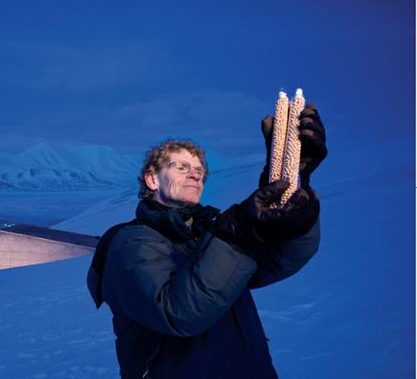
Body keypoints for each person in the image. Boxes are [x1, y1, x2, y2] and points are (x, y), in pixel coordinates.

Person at [87, 105, 328, 378]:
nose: (195, 174)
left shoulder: (209, 233)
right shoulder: (130, 243)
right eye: (182, 167)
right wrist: (239, 231)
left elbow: (279, 260)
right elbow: (180, 313)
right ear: (152, 180)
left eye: (200, 170)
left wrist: (296, 185)